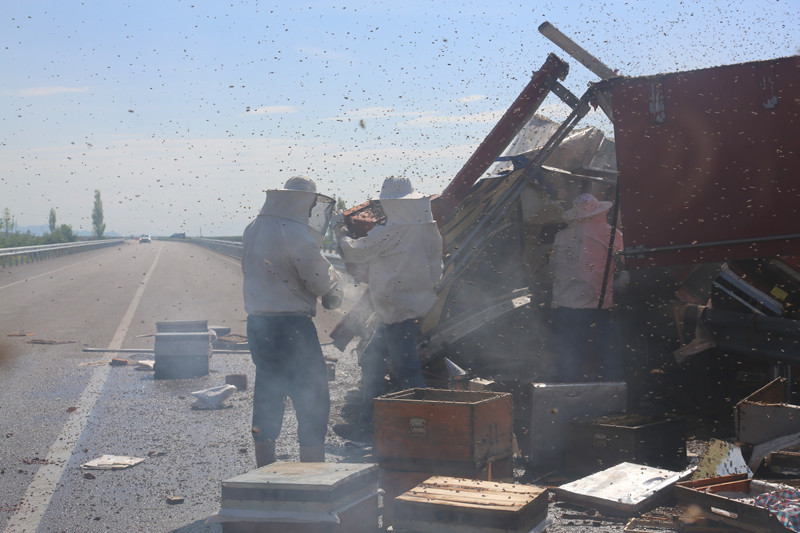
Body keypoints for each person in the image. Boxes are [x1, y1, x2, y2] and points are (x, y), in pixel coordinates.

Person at [241, 176, 342, 466]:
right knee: (312, 397)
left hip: (259, 326)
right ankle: (312, 473)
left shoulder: (253, 227)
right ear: (305, 202)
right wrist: (333, 287)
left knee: (268, 393)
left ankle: (264, 470)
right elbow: (319, 280)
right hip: (292, 328)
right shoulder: (296, 232)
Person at [335, 176, 443, 439]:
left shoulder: (391, 231)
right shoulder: (426, 227)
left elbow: (357, 252)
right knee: (374, 360)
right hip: (408, 307)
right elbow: (436, 262)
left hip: (399, 310)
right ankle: (369, 425)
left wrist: (341, 233)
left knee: (407, 371)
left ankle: (421, 433)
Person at [549, 192, 624, 382]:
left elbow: (553, 269)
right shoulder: (613, 234)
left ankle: (567, 398)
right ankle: (612, 396)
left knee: (569, 356)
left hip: (566, 307)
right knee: (609, 355)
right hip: (599, 307)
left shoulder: (561, 236)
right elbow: (626, 263)